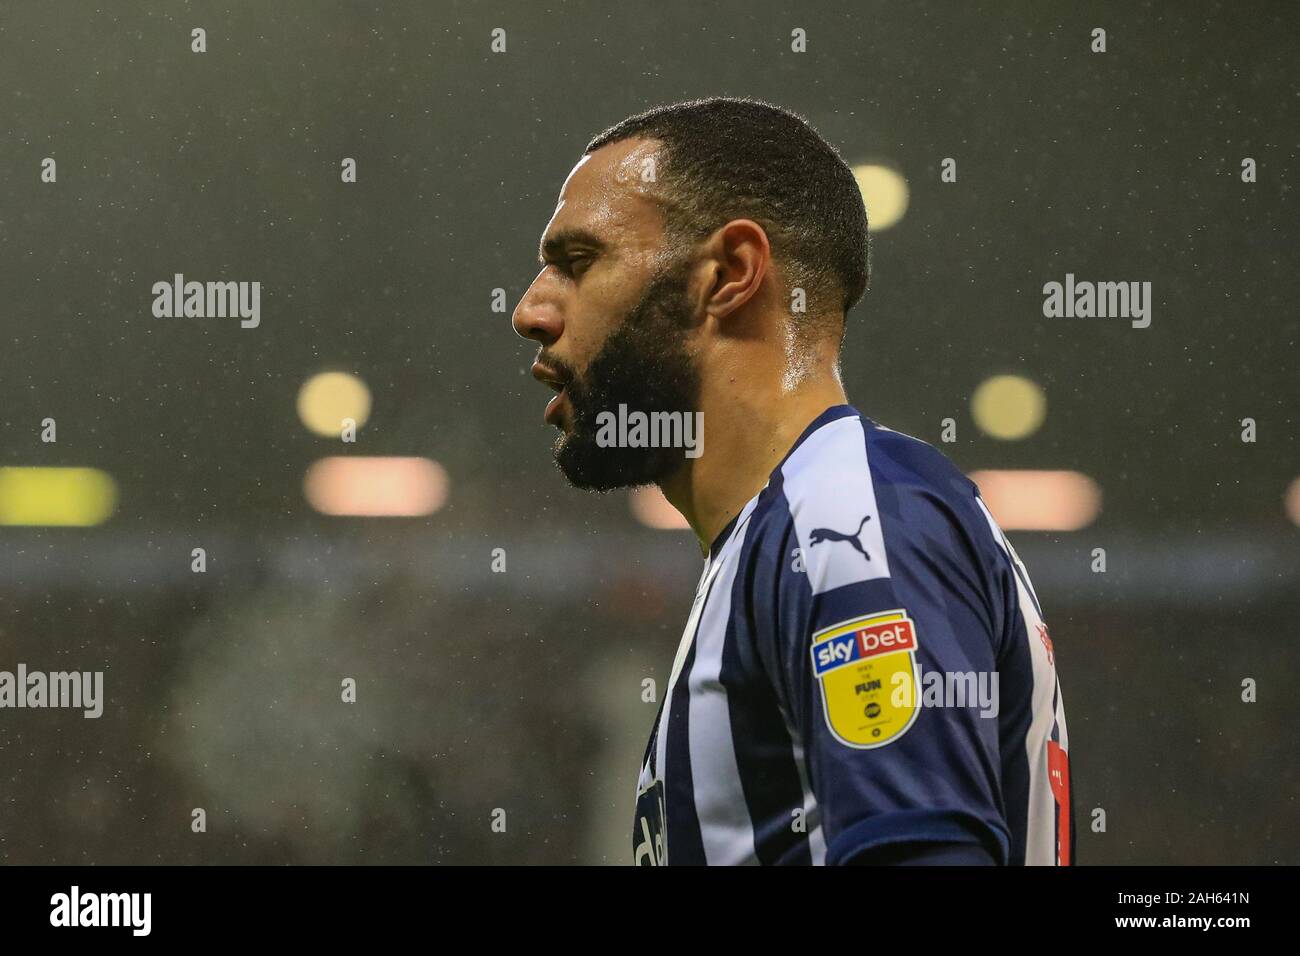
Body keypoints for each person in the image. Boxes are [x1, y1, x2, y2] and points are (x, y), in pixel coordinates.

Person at [511, 97, 1073, 865]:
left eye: (579, 263)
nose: (531, 311)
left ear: (730, 274)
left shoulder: (846, 517)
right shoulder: (783, 535)